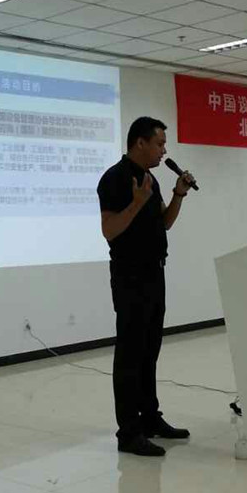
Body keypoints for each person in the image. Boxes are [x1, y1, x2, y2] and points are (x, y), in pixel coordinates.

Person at [97, 117, 195, 456]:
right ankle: (128, 432)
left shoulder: (150, 179)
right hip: (130, 277)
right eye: (159, 144)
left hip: (155, 273)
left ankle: (150, 418)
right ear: (140, 142)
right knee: (130, 355)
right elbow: (109, 230)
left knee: (149, 351)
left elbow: (164, 223)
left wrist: (178, 194)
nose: (164, 151)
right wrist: (137, 202)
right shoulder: (114, 178)